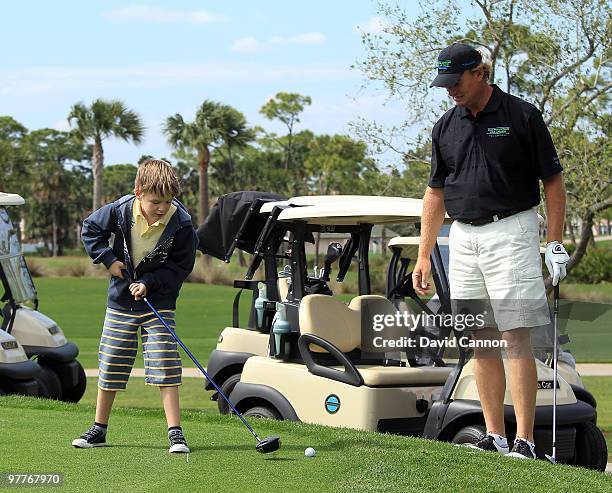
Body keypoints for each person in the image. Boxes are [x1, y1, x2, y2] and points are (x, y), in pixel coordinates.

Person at [413, 43, 570, 460]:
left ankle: (526, 441)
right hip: (463, 237)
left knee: (514, 334)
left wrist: (554, 242)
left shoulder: (521, 116)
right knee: (479, 336)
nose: (450, 91)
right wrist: (425, 253)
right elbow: (435, 192)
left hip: (512, 230)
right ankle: (494, 435)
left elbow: (553, 182)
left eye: (456, 81)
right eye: (444, 84)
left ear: (480, 73)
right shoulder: (446, 126)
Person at [72, 159, 197, 453]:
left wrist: (150, 283)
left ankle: (175, 433)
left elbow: (181, 266)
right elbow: (90, 229)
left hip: (159, 301)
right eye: (156, 201)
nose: (163, 208)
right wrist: (109, 260)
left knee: (165, 360)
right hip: (121, 300)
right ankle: (99, 429)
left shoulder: (182, 223)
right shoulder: (119, 210)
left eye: (168, 201)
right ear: (138, 192)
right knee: (111, 361)